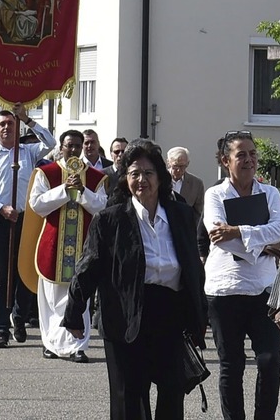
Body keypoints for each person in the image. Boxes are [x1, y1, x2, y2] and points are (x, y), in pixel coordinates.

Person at [62, 139, 207, 419]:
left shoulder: (182, 215)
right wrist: (74, 311)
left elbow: (193, 268)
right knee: (129, 396)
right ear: (125, 178)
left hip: (170, 313)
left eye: (148, 173)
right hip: (124, 314)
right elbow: (88, 266)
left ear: (160, 177)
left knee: (172, 393)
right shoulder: (110, 220)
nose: (142, 180)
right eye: (134, 174)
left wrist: (199, 314)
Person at [203, 130, 280, 420]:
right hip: (225, 290)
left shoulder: (270, 193)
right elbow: (217, 236)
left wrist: (238, 231)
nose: (249, 160)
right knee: (231, 364)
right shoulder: (215, 194)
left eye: (252, 154)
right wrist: (260, 246)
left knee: (270, 358)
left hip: (263, 290)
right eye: (242, 154)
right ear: (226, 161)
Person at [0, 103, 56, 348]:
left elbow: (51, 143)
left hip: (26, 219)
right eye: (2, 124)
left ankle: (19, 315)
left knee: (24, 269)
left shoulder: (27, 152)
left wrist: (28, 120)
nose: (7, 128)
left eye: (11, 124)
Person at [25, 129, 107, 362]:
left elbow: (102, 206)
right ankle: (50, 342)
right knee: (51, 297)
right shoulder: (46, 172)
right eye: (69, 145)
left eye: (77, 146)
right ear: (61, 147)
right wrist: (63, 191)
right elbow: (37, 205)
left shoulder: (94, 176)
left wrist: (82, 191)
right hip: (53, 242)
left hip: (83, 244)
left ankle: (77, 346)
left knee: (80, 295)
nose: (73, 150)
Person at [167, 146, 205, 226]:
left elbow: (198, 213)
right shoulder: (159, 180)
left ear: (187, 164)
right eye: (175, 166)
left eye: (182, 167)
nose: (178, 170)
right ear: (168, 163)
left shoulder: (196, 184)